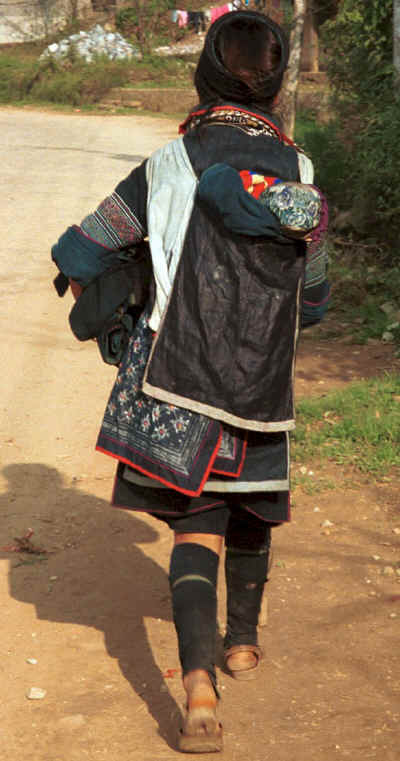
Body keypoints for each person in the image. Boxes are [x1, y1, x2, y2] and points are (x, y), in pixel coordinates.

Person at [51, 11, 330, 754]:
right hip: (263, 386)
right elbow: (315, 299)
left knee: (197, 524)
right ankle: (242, 641)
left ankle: (199, 687)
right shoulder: (300, 174)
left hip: (177, 382)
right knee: (254, 511)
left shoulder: (172, 162)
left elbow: (83, 247)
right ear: (272, 81)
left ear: (206, 72)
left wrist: (99, 284)